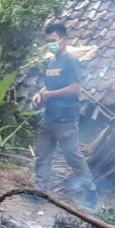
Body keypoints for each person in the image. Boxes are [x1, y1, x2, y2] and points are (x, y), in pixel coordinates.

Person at [32, 23, 98, 208]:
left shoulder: (71, 62)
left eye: (53, 40)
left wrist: (50, 95)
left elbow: (75, 88)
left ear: (63, 40)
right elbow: (49, 86)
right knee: (42, 156)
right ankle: (41, 192)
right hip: (49, 118)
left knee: (73, 157)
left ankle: (90, 192)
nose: (50, 44)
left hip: (66, 120)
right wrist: (40, 94)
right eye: (48, 41)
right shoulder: (52, 63)